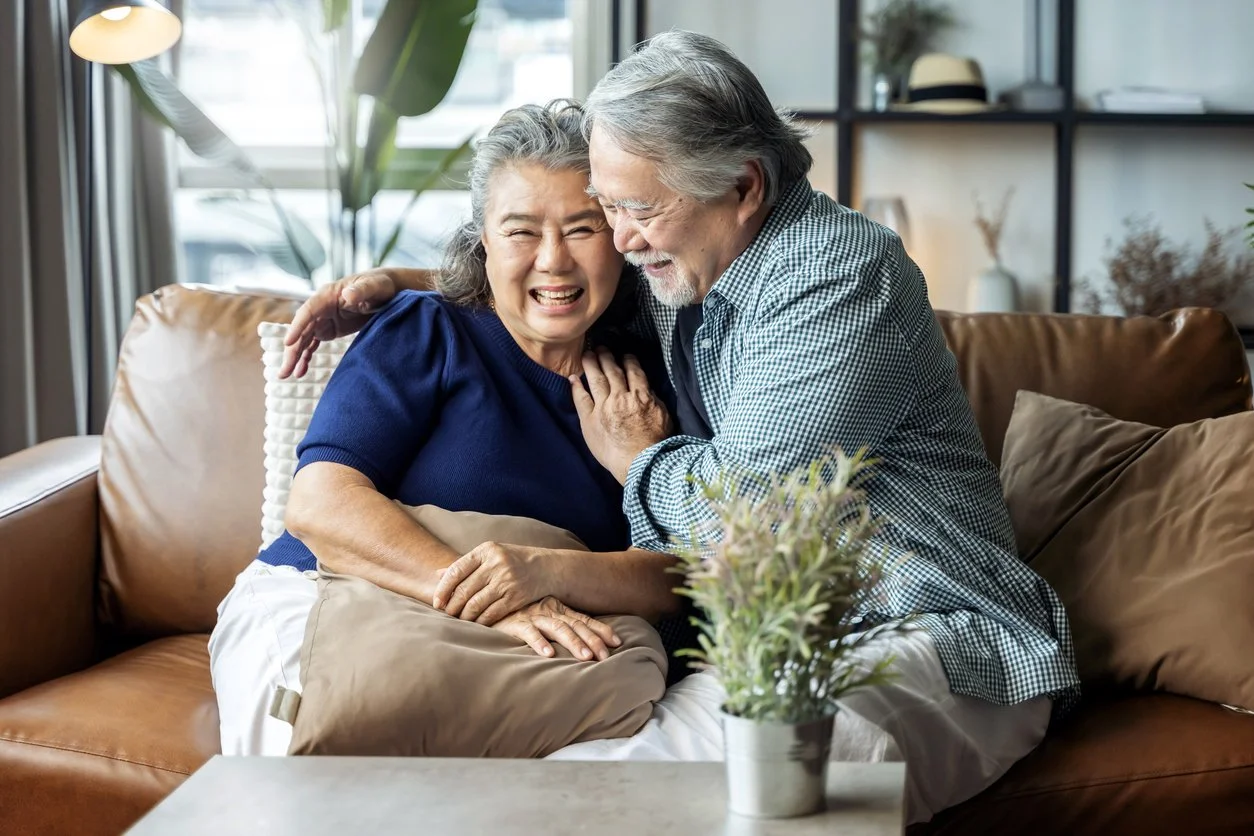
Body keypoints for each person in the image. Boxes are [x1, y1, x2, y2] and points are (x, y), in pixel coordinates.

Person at [281, 32, 1080, 825]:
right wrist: (405, 283)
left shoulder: (835, 280)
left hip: (927, 636)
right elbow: (550, 269)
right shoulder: (689, 260)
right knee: (572, 783)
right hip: (778, 635)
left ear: (743, 185)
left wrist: (640, 457)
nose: (622, 239)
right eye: (612, 209)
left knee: (645, 800)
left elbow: (745, 521)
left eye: (635, 210)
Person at [208, 100, 684, 758]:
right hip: (342, 593)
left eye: (582, 228)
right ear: (482, 240)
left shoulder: (647, 387)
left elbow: (680, 575)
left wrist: (554, 562)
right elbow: (320, 502)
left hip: (541, 639)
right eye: (521, 231)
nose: (554, 261)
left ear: (623, 237)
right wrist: (496, 598)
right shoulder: (430, 328)